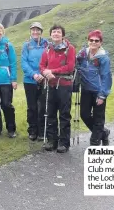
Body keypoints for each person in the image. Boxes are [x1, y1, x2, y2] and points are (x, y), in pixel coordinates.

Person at [39, 24, 76, 153]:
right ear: (50, 35)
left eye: (58, 32)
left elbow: (70, 67)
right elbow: (42, 66)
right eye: (53, 32)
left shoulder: (69, 49)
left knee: (64, 114)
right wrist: (45, 72)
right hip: (50, 85)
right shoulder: (47, 50)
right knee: (50, 113)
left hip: (64, 85)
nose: (56, 34)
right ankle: (51, 140)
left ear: (62, 35)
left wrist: (52, 71)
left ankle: (64, 142)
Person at [76, 30, 112, 146]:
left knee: (98, 118)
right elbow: (75, 63)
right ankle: (103, 133)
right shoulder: (82, 54)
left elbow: (106, 77)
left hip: (98, 91)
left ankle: (95, 142)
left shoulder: (103, 58)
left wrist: (102, 95)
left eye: (96, 41)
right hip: (86, 89)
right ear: (88, 41)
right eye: (91, 40)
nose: (93, 42)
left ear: (100, 43)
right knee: (84, 115)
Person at [21, 22, 49, 141]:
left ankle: (42, 131)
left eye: (38, 30)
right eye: (33, 30)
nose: (35, 32)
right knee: (32, 106)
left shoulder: (47, 44)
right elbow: (24, 62)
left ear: (41, 32)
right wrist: (34, 74)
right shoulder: (26, 45)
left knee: (43, 106)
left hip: (44, 80)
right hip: (30, 80)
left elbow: (50, 60)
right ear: (30, 32)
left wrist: (43, 74)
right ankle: (32, 130)